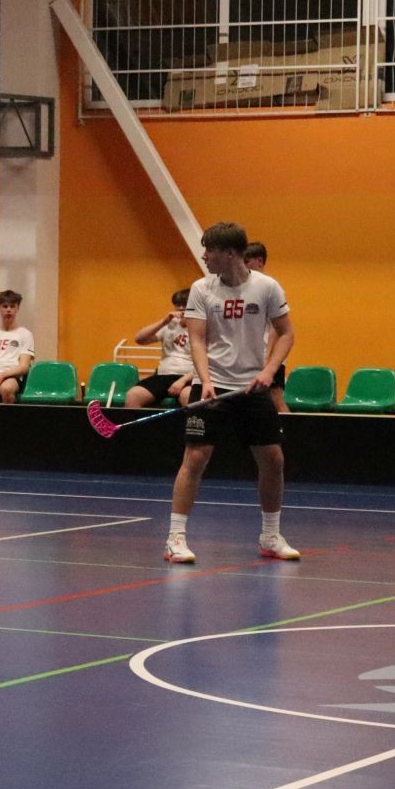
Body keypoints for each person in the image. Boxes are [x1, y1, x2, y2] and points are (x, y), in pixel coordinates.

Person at [167, 221, 299, 566]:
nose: (204, 257)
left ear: (229, 253)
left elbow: (286, 333)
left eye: (209, 250)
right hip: (211, 384)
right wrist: (205, 379)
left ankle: (270, 536)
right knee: (196, 457)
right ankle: (175, 539)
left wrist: (268, 372)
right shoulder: (202, 289)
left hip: (252, 386)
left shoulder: (267, 287)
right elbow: (197, 339)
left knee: (273, 459)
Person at [124, 288, 195, 409]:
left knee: (188, 397)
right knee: (133, 396)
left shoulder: (200, 328)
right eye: (178, 305)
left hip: (187, 377)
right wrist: (164, 322)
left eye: (185, 305)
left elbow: (207, 364)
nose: (181, 308)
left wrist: (182, 381)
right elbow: (139, 339)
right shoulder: (169, 325)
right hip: (163, 375)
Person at [243, 241, 288, 413]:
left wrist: (268, 356)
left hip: (269, 355)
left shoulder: (270, 287)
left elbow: (277, 328)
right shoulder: (248, 288)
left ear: (260, 261)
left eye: (247, 261)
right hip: (255, 354)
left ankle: (290, 428)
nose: (243, 266)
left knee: (276, 398)